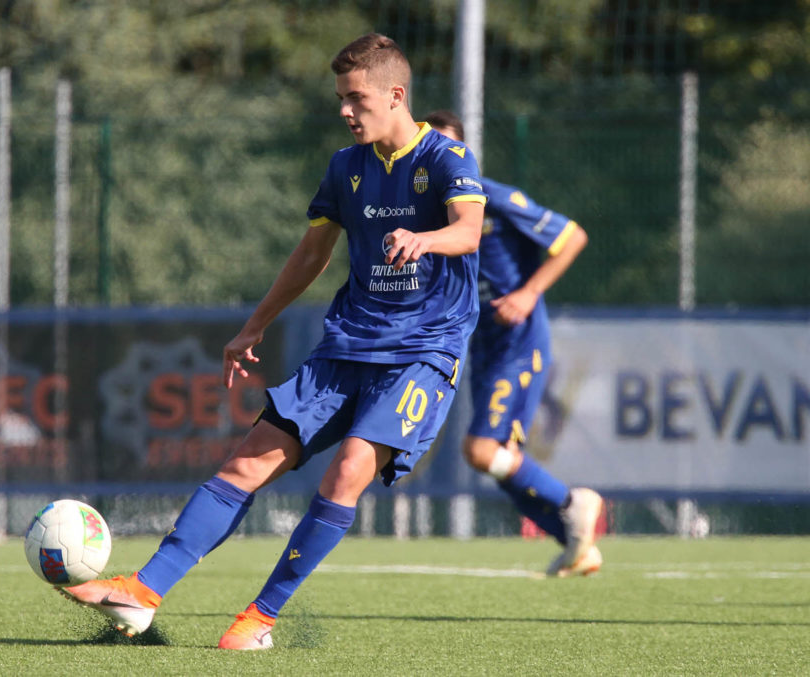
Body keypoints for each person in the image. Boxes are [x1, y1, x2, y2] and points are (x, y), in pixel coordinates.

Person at [60, 35, 488, 650]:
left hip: (423, 350)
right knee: (246, 462)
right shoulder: (346, 167)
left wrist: (425, 239)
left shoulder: (447, 157)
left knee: (347, 473)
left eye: (356, 99)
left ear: (396, 95)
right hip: (347, 345)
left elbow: (469, 230)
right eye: (340, 99)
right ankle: (143, 591)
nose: (345, 110)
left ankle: (260, 618)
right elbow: (313, 253)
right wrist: (254, 324)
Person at [423, 109, 603, 578]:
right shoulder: (426, 215)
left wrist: (527, 293)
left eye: (447, 147)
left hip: (518, 344)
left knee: (482, 450)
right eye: (428, 147)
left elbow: (573, 237)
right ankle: (575, 542)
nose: (438, 157)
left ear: (463, 153)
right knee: (497, 457)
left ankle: (572, 503)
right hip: (482, 346)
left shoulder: (493, 198)